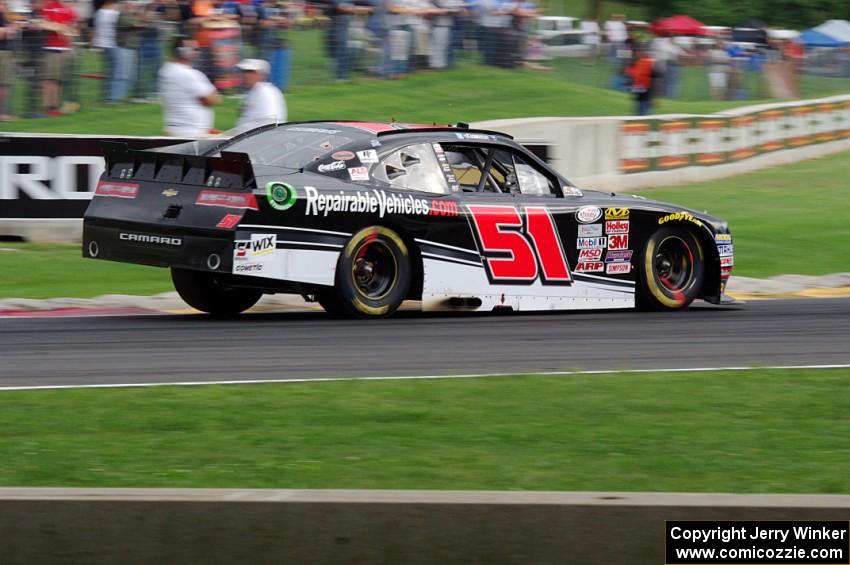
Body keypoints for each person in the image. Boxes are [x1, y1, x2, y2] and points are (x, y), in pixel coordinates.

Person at [158, 36, 221, 136]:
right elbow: (212, 100)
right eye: (195, 49)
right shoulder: (189, 74)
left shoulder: (166, 70)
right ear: (182, 51)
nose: (197, 52)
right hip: (192, 131)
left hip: (175, 128)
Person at [39, 0, 78, 116]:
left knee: (57, 81)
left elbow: (73, 30)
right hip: (50, 48)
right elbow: (42, 24)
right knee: (48, 80)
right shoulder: (47, 6)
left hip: (63, 50)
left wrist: (71, 48)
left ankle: (54, 107)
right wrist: (59, 27)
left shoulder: (67, 9)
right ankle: (47, 108)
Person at [235, 58, 285, 128]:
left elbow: (270, 121)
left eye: (250, 72)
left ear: (260, 75)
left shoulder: (267, 92)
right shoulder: (252, 92)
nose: (245, 75)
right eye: (244, 72)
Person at [92, 0, 119, 103]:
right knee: (113, 72)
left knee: (109, 71)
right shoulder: (113, 13)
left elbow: (96, 28)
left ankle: (107, 97)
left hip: (104, 43)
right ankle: (110, 98)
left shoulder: (99, 12)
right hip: (111, 43)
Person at [625, 44, 653, 116]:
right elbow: (631, 74)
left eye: (639, 51)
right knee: (639, 114)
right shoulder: (636, 62)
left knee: (644, 115)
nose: (637, 53)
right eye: (636, 52)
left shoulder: (648, 62)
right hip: (640, 94)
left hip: (646, 93)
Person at [0, 0, 15, 121]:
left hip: (7, 53)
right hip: (2, 53)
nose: (3, 6)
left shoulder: (5, 18)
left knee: (4, 85)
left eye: (4, 4)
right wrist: (8, 30)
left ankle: (2, 113)